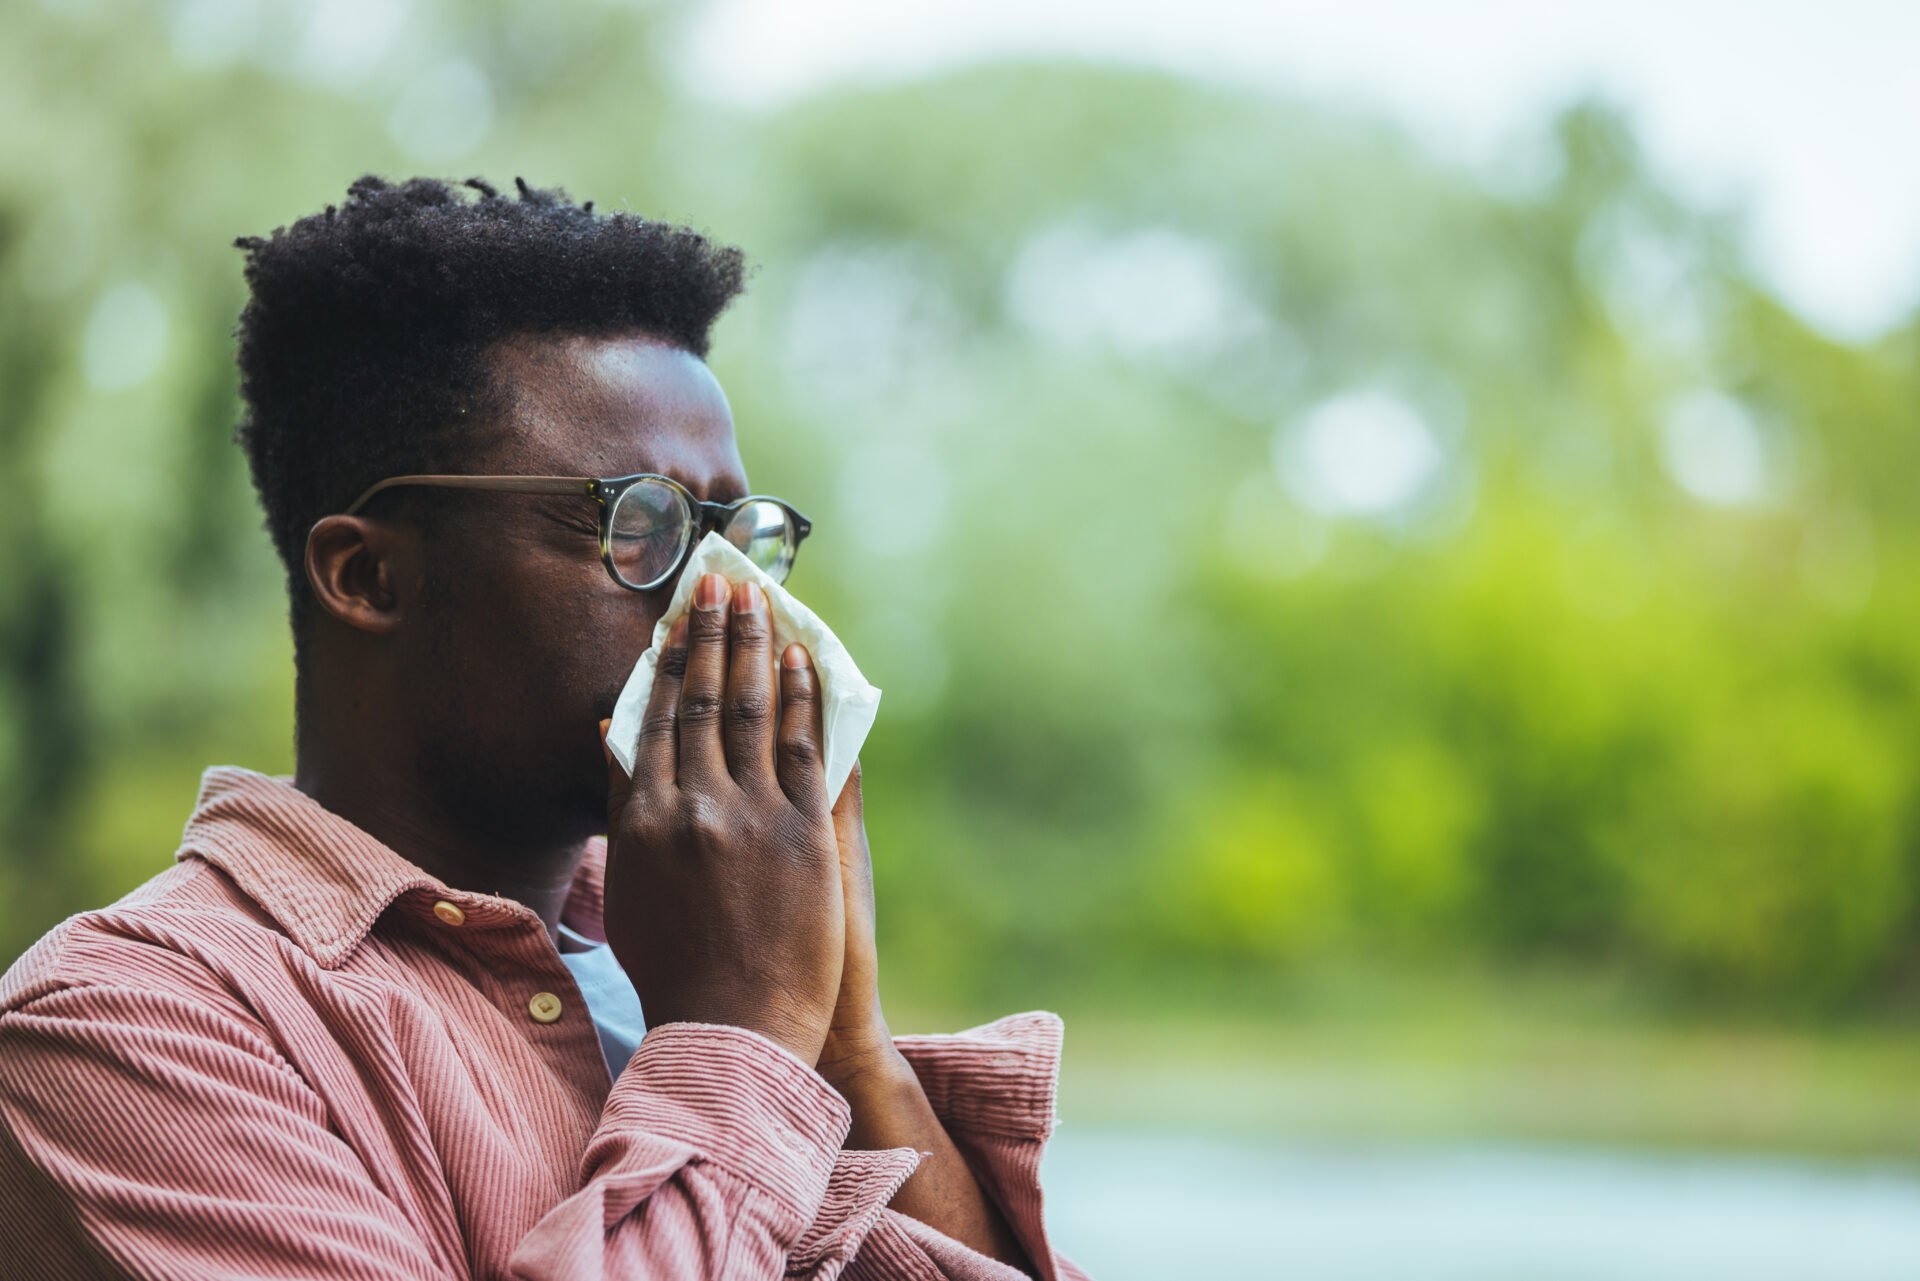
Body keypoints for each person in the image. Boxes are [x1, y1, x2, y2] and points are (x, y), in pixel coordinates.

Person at [0, 176, 1089, 1281]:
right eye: (641, 523)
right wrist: (744, 1039)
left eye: (734, 532)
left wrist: (847, 1043)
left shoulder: (690, 939)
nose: (719, 596)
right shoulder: (132, 1028)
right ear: (369, 574)